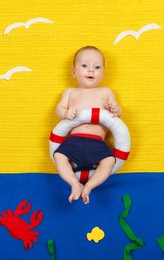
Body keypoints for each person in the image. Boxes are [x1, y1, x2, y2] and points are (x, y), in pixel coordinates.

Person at [54, 46, 122, 204]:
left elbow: (116, 110)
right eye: (84, 66)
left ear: (103, 73)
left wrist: (116, 109)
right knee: (58, 156)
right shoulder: (70, 92)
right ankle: (74, 183)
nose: (91, 71)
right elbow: (59, 109)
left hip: (97, 143)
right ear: (73, 72)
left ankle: (89, 186)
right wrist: (65, 113)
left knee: (110, 161)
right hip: (74, 141)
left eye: (97, 67)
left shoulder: (105, 92)